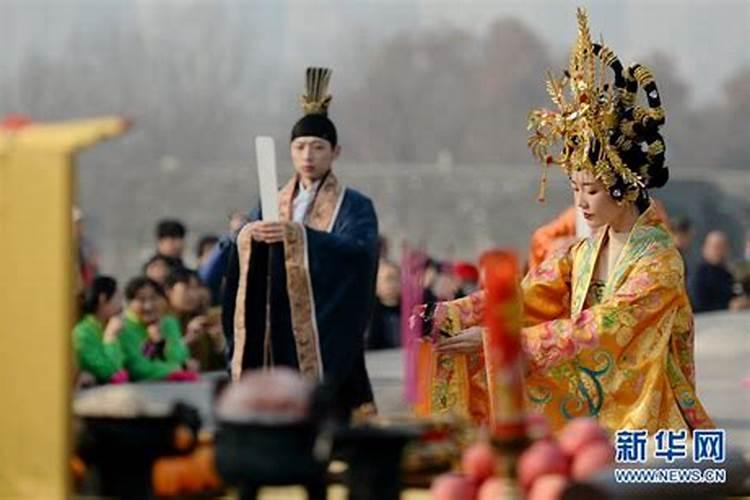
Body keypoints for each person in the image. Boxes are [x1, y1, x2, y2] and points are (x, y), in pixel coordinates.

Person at [413, 9, 713, 434]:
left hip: (640, 406)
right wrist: (453, 314)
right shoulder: (587, 250)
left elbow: (603, 329)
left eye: (590, 191)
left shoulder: (660, 263)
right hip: (594, 388)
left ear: (625, 189)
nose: (581, 204)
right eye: (575, 190)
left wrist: (500, 341)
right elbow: (530, 294)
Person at [223, 67, 379, 416]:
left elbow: (359, 255)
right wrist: (245, 236)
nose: (308, 155)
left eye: (318, 147)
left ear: (336, 152)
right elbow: (236, 249)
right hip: (276, 324)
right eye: (300, 147)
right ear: (291, 152)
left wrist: (299, 237)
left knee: (332, 412)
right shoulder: (271, 202)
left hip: (327, 329)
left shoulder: (355, 205)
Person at [119, 276, 194, 381]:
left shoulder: (169, 323)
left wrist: (161, 342)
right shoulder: (123, 328)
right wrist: (178, 368)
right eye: (141, 300)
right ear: (128, 303)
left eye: (154, 298)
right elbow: (137, 368)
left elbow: (180, 356)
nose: (148, 306)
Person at [72, 276, 128, 384]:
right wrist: (110, 337)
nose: (122, 305)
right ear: (102, 298)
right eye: (118, 298)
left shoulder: (112, 325)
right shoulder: (83, 333)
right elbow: (110, 371)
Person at [689, 230, 746, 312]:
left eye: (724, 247)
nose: (720, 251)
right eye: (716, 247)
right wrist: (727, 306)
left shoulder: (726, 273)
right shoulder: (699, 275)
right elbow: (699, 306)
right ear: (705, 249)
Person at [367, 260, 401, 350]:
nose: (393, 284)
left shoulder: (411, 312)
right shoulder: (368, 315)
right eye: (388, 279)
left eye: (396, 278)